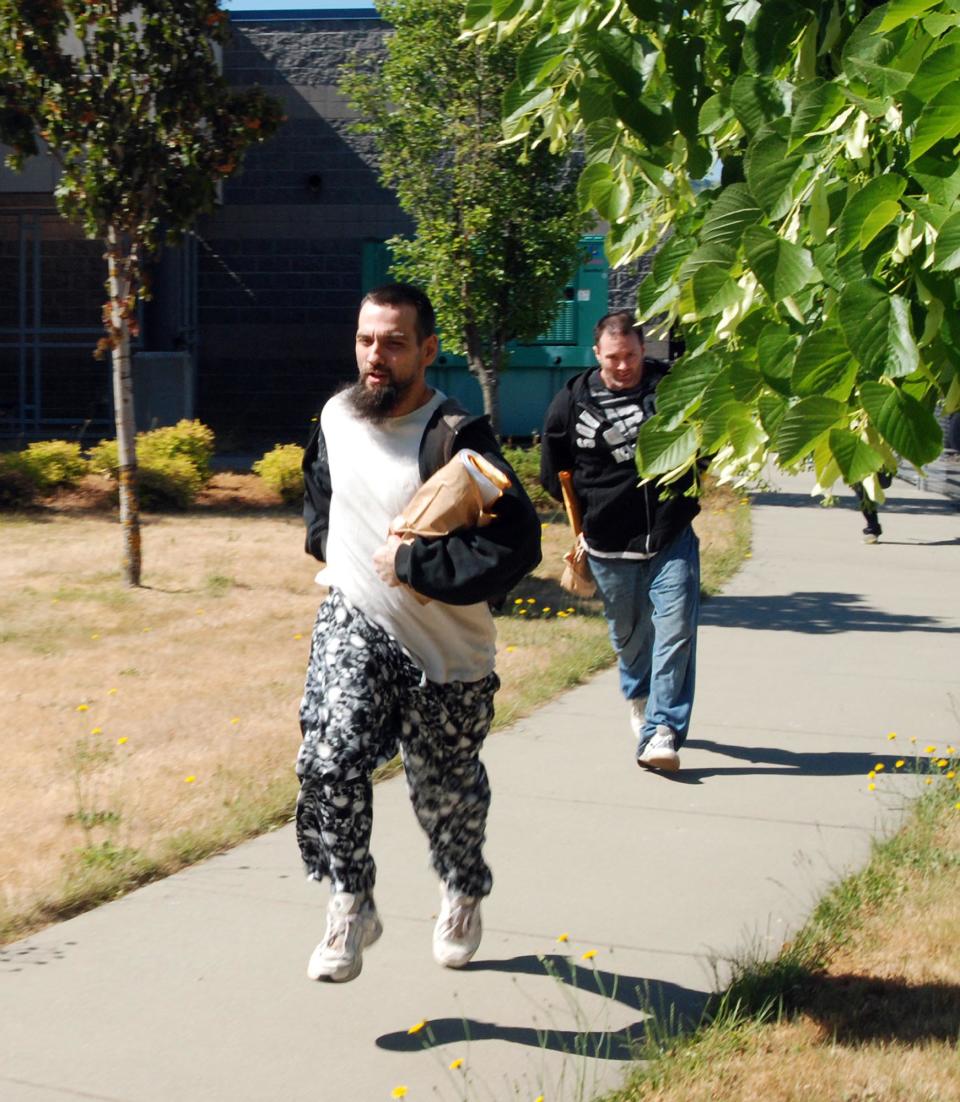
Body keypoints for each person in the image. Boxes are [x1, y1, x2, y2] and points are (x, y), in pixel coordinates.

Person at [297, 282, 541, 983]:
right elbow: (321, 491)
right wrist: (331, 549)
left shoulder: (459, 438)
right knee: (329, 759)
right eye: (367, 340)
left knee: (445, 791)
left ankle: (462, 887)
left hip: (447, 652)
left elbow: (516, 545)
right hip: (355, 621)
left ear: (428, 351)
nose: (377, 355)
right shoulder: (337, 416)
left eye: (395, 343)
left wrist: (413, 561)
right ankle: (351, 899)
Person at [540, 311, 700, 773]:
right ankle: (640, 696)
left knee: (675, 631)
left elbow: (703, 442)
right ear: (597, 355)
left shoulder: (670, 389)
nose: (624, 366)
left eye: (631, 355)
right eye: (614, 358)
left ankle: (662, 732)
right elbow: (556, 470)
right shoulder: (572, 401)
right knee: (629, 635)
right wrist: (589, 512)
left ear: (642, 350)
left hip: (670, 534)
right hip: (608, 542)